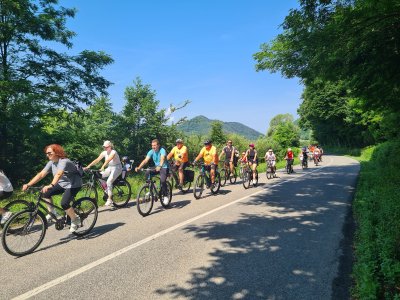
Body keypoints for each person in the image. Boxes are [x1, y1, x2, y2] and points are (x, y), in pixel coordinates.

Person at [22, 144, 82, 233]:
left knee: (64, 203)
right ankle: (52, 212)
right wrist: (29, 184)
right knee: (45, 193)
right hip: (62, 184)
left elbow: (59, 174)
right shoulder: (51, 163)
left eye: (49, 153)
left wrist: (51, 185)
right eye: (46, 153)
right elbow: (41, 174)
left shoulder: (64, 161)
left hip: (73, 184)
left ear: (57, 152)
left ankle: (75, 219)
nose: (47, 155)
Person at [84, 140, 122, 206]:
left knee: (109, 182)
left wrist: (103, 166)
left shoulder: (113, 152)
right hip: (110, 167)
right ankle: (107, 189)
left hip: (117, 168)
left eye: (106, 147)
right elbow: (97, 160)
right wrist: (88, 166)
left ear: (110, 146)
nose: (105, 148)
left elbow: (108, 159)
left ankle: (110, 199)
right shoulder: (104, 152)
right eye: (104, 147)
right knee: (99, 175)